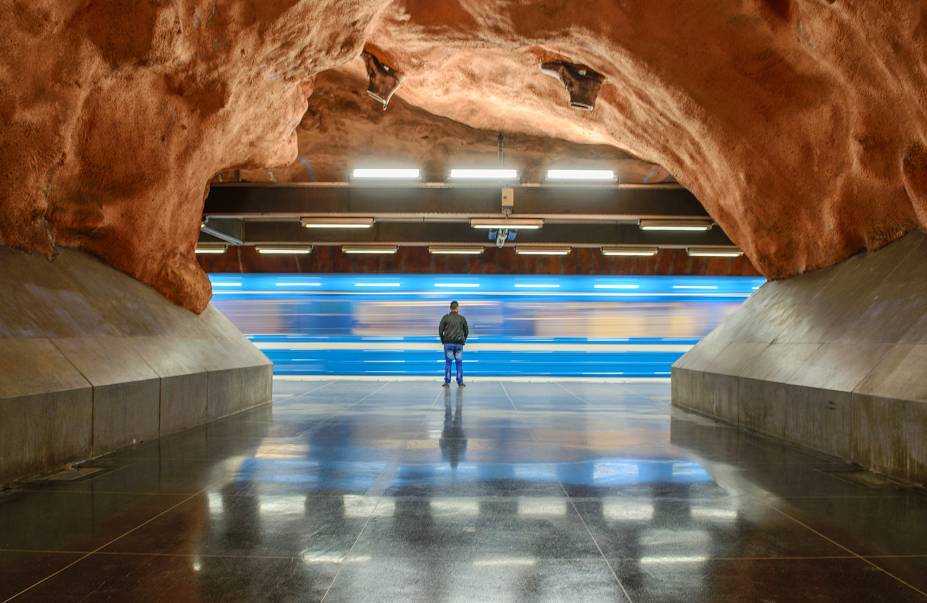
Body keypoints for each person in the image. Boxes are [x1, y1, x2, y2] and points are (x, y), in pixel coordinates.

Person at [438, 300, 469, 387]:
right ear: (457, 308)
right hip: (459, 344)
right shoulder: (462, 318)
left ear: (450, 308)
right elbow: (466, 331)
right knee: (459, 363)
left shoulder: (445, 318)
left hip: (448, 343)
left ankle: (447, 382)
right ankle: (460, 382)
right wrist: (463, 340)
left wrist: (443, 340)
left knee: (448, 363)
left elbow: (440, 330)